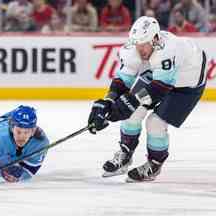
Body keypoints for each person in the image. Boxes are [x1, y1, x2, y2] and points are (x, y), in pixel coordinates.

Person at [88, 16, 207, 182]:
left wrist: (131, 101)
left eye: (144, 44)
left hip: (188, 83)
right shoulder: (133, 48)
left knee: (155, 122)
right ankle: (125, 152)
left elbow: (160, 87)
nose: (140, 49)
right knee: (132, 111)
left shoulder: (169, 49)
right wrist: (107, 102)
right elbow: (122, 79)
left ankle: (155, 163)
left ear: (156, 39)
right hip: (159, 75)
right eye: (137, 44)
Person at [0, 105, 49, 186]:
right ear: (12, 128)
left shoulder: (41, 144)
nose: (22, 137)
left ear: (33, 131)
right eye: (19, 132)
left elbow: (30, 171)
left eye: (26, 132)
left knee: (7, 163)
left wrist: (19, 175)